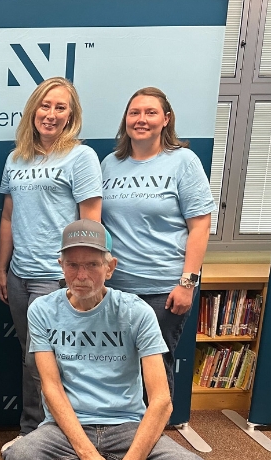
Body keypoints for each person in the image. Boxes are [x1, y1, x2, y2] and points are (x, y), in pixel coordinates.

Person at [2, 219, 217, 460]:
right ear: (61, 265)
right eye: (72, 265)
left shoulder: (136, 312)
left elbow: (162, 401)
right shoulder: (42, 310)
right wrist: (88, 455)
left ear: (110, 267)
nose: (81, 275)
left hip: (127, 426)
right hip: (65, 428)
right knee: (20, 459)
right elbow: (51, 388)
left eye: (92, 264)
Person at [0, 77, 102, 453]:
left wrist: (83, 275)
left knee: (53, 361)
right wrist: (1, 269)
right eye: (45, 105)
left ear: (71, 115)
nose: (51, 114)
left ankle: (52, 433)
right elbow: (7, 217)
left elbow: (91, 220)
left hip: (57, 278)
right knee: (32, 358)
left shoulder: (80, 157)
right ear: (33, 109)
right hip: (20, 274)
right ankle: (32, 432)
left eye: (60, 107)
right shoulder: (16, 158)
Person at [100, 87, 214, 401]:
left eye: (150, 113)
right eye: (134, 113)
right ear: (125, 120)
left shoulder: (182, 162)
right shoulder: (110, 164)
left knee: (153, 367)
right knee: (116, 366)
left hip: (163, 290)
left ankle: (150, 443)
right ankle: (118, 437)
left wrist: (188, 284)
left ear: (165, 119)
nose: (141, 119)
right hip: (116, 288)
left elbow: (200, 226)